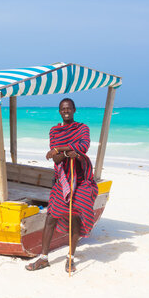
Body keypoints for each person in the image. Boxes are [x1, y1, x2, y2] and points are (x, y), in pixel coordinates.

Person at [25, 98, 98, 272]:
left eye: (69, 108)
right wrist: (67, 152)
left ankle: (70, 258)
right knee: (51, 217)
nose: (66, 111)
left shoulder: (82, 128)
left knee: (75, 216)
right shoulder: (55, 131)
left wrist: (59, 149)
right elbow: (56, 159)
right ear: (59, 111)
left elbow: (83, 147)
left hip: (80, 181)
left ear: (74, 110)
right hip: (63, 179)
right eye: (63, 109)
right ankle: (43, 258)